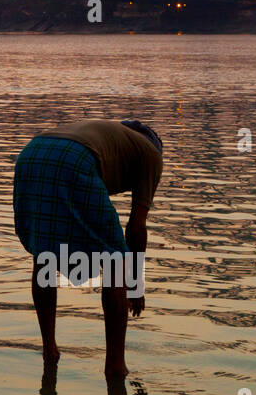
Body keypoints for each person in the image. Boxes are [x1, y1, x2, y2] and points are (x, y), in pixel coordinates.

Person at [13, 119, 163, 378]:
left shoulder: (110, 137)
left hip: (32, 154)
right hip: (74, 158)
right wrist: (135, 285)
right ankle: (115, 366)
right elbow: (136, 228)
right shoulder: (151, 154)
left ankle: (50, 351)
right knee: (117, 260)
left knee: (45, 254)